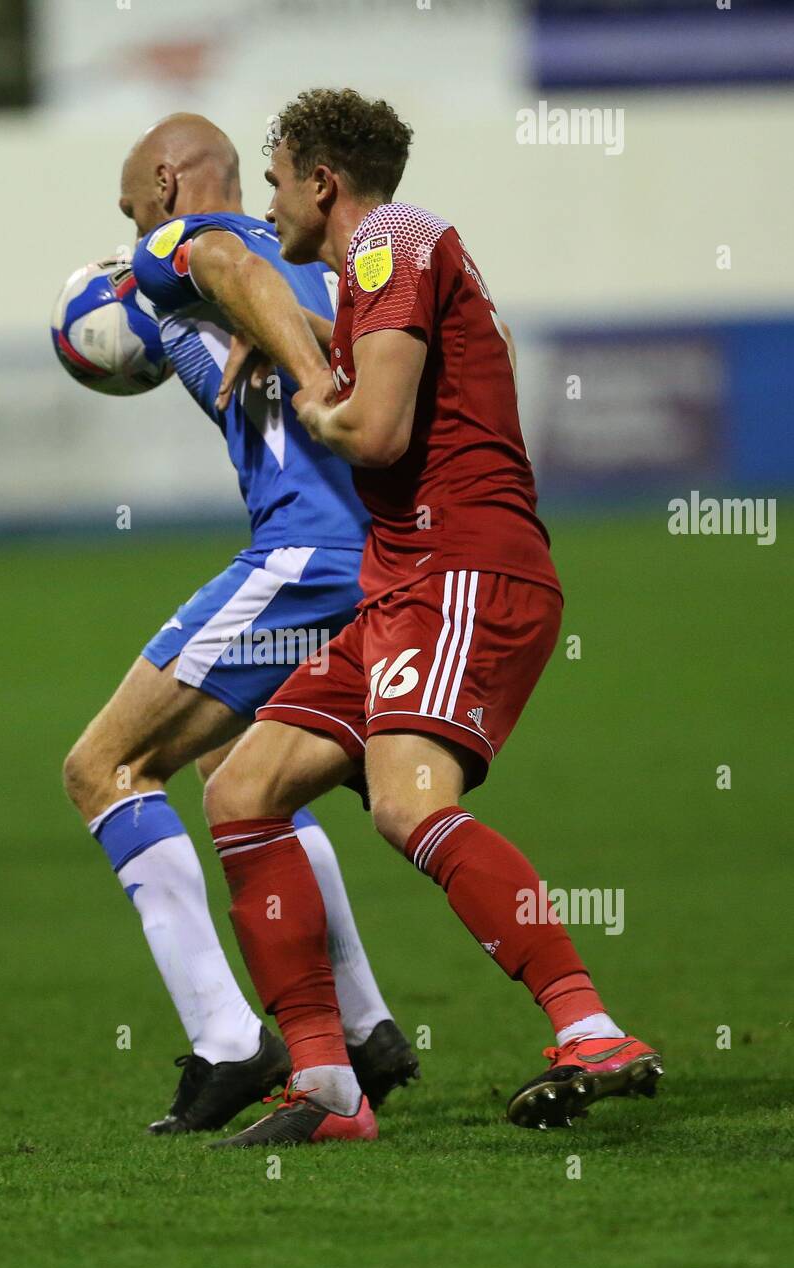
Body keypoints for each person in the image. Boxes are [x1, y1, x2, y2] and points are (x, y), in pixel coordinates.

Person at [201, 89, 662, 1146]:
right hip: (401, 580)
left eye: (274, 179)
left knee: (406, 802)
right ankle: (322, 1085)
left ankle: (587, 1024)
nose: (269, 200)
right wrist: (300, 339)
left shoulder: (395, 240)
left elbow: (369, 430)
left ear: (323, 181)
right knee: (243, 789)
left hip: (463, 567)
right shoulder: (380, 274)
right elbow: (374, 376)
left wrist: (310, 391)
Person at [62, 113, 419, 1136]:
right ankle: (365, 1030)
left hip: (306, 558)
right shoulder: (331, 263)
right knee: (252, 778)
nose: (130, 226)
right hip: (384, 562)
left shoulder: (182, 244)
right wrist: (302, 339)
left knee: (104, 768)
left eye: (131, 203)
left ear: (170, 182)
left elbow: (216, 253)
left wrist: (300, 366)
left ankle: (228, 1038)